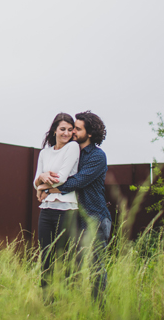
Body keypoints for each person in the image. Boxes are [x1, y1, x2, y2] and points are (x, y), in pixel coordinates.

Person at [37, 110, 111, 301]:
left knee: (95, 267)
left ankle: (99, 310)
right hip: (76, 216)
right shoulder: (72, 150)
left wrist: (44, 189)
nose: (72, 133)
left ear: (90, 133)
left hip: (95, 217)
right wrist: (40, 181)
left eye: (77, 129)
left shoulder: (97, 156)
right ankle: (70, 305)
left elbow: (76, 182)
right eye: (71, 128)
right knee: (73, 265)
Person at [32, 112, 80, 292]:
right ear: (54, 131)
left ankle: (66, 301)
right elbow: (35, 179)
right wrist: (41, 179)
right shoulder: (45, 152)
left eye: (69, 129)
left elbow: (61, 178)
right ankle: (47, 301)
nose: (66, 133)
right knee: (46, 257)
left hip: (67, 210)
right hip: (46, 210)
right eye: (62, 129)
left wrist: (40, 186)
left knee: (65, 258)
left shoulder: (73, 147)